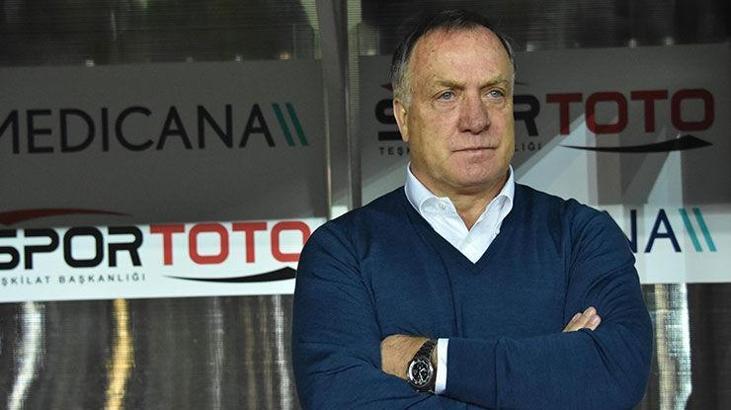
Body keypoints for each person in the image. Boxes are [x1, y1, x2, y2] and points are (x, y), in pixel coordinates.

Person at [292, 9, 652, 409]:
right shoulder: (342, 252)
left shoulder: (582, 237)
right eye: (447, 95)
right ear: (403, 118)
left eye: (494, 93)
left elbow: (613, 378)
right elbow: (343, 402)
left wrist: (427, 361)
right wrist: (552, 377)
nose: (476, 120)